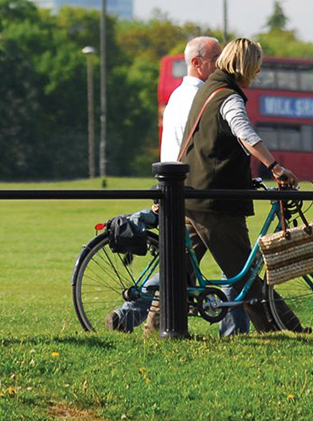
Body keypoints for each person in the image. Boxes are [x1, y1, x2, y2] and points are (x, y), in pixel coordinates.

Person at [106, 37, 251, 333]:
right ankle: (235, 332)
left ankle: (131, 317)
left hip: (177, 188)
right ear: (197, 63)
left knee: (178, 265)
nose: (222, 63)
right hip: (196, 191)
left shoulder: (178, 95)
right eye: (216, 58)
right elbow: (206, 148)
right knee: (231, 265)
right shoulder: (204, 98)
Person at [168, 38, 304, 333]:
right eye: (255, 68)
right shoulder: (228, 96)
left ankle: (154, 328)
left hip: (192, 193)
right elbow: (244, 133)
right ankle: (284, 328)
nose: (256, 74)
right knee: (245, 272)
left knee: (178, 272)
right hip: (215, 200)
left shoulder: (209, 88)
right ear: (245, 66)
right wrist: (275, 167)